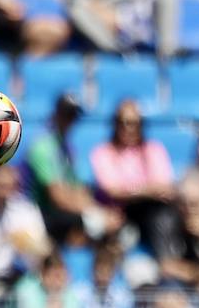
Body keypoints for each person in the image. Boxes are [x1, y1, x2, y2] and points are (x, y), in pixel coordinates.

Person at [25, 94, 122, 246]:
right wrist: (96, 214)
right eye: (67, 115)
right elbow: (57, 197)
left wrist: (99, 210)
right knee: (96, 225)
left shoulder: (67, 148)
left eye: (73, 116)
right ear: (56, 114)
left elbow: (78, 190)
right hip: (41, 214)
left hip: (62, 213)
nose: (70, 121)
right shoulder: (42, 147)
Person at [91, 98, 179, 262]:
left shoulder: (153, 149)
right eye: (123, 122)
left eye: (134, 123)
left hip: (149, 213)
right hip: (118, 215)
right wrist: (148, 190)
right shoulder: (103, 152)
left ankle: (169, 264)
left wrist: (131, 191)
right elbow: (113, 191)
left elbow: (166, 188)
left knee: (164, 216)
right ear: (115, 124)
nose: (129, 128)